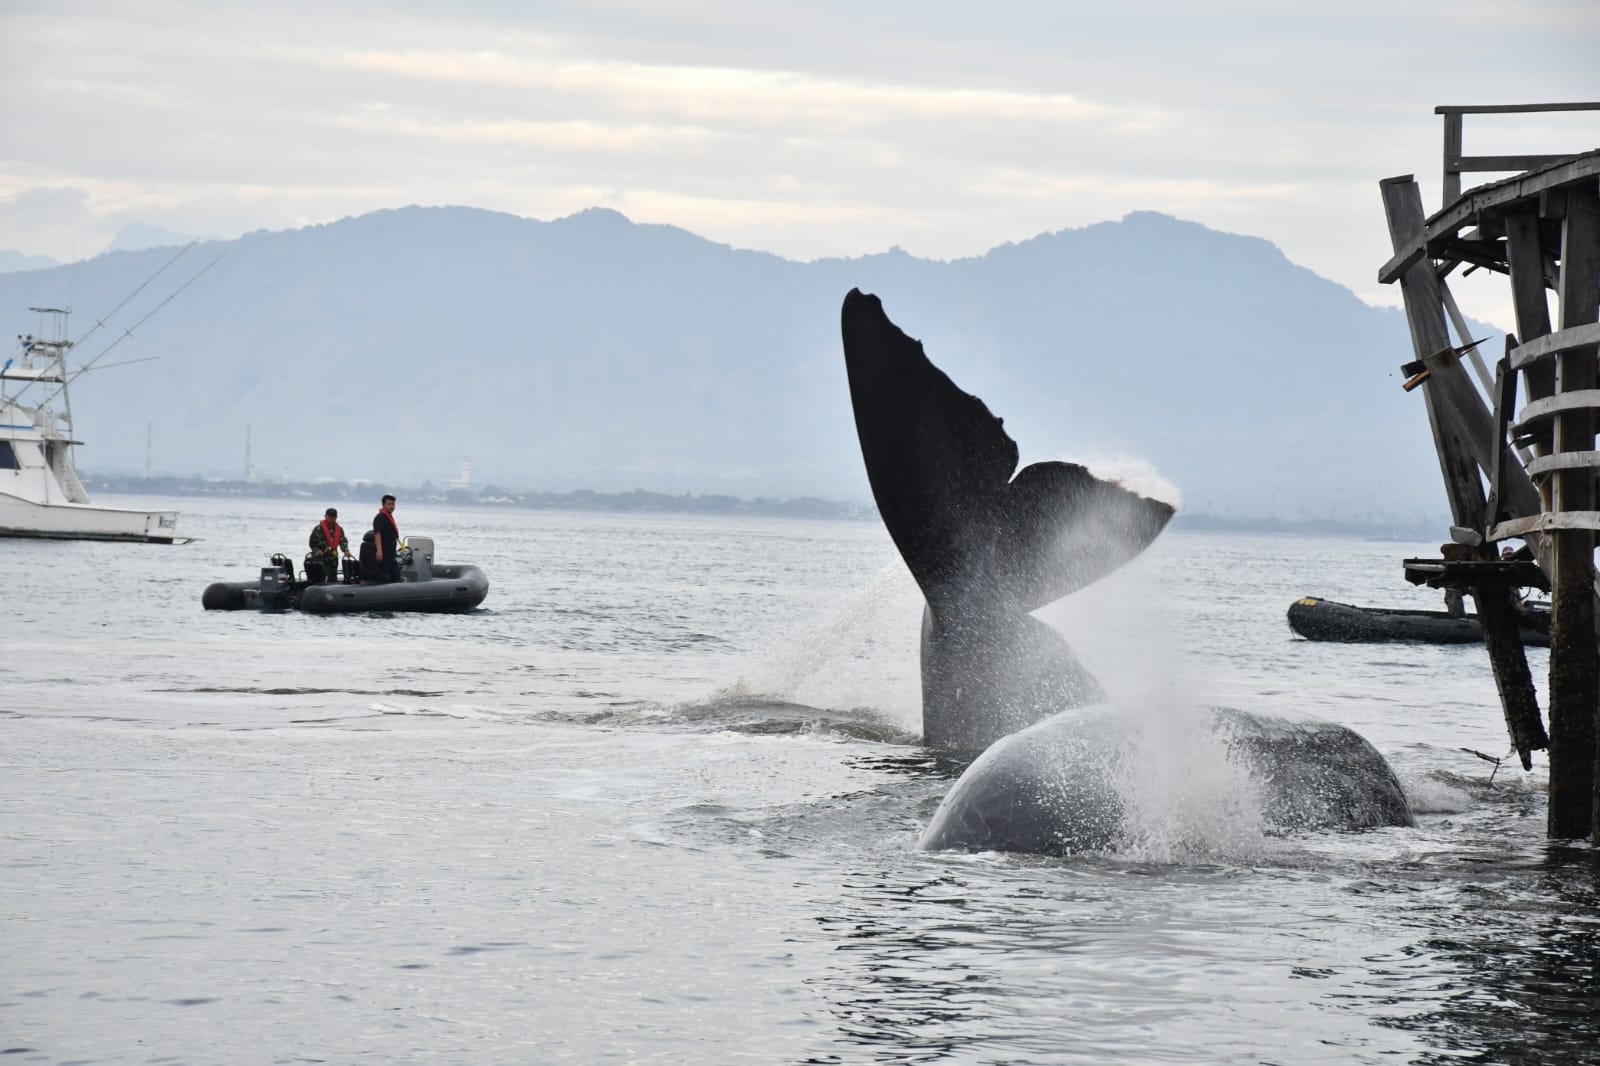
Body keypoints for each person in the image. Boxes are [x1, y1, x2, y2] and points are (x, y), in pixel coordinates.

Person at [308, 507, 352, 584]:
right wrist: (316, 551)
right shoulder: (318, 529)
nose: (331, 518)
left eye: (333, 517)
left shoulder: (339, 529)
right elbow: (312, 543)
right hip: (320, 557)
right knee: (319, 578)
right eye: (329, 516)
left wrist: (346, 551)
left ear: (336, 517)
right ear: (325, 516)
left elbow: (343, 541)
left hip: (333, 557)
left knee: (333, 578)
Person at [373, 494, 401, 583]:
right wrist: (379, 550)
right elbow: (377, 534)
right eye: (389, 504)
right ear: (383, 505)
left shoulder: (389, 518)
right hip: (384, 553)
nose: (391, 506)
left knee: (396, 576)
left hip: (391, 553)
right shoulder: (380, 518)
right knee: (384, 575)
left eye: (393, 504)